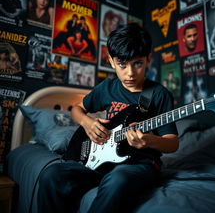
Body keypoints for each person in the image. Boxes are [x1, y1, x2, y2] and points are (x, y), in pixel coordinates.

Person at [37, 23, 179, 213]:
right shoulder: (107, 88)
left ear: (148, 59)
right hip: (99, 162)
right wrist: (87, 123)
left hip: (139, 164)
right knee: (51, 174)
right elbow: (77, 109)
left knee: (118, 178)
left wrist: (149, 141)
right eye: (122, 64)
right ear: (111, 61)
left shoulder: (158, 94)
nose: (130, 72)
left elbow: (173, 143)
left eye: (137, 63)